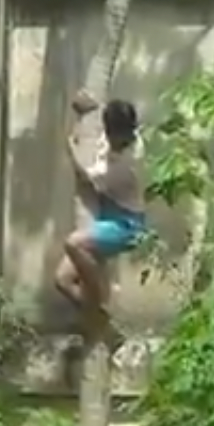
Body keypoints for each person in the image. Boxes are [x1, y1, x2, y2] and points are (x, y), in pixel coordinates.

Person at [54, 88, 146, 333]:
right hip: (106, 219)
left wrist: (70, 147)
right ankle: (104, 322)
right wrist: (88, 110)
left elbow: (86, 177)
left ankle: (100, 299)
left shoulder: (126, 164)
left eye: (122, 135)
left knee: (73, 244)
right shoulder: (119, 138)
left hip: (127, 225)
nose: (118, 140)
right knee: (62, 281)